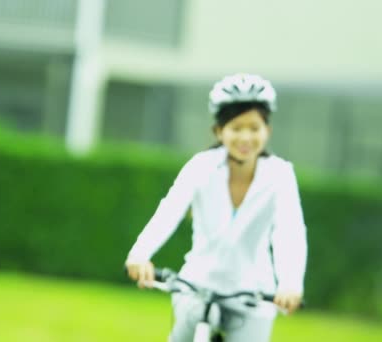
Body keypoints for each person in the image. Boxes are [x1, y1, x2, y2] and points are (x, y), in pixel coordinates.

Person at [125, 73, 307, 342]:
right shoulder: (201, 166)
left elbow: (289, 232)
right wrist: (140, 254)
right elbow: (170, 211)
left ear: (267, 131)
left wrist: (290, 284)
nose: (245, 137)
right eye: (236, 127)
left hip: (253, 294)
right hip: (197, 285)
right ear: (219, 131)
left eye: (254, 128)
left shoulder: (280, 175)